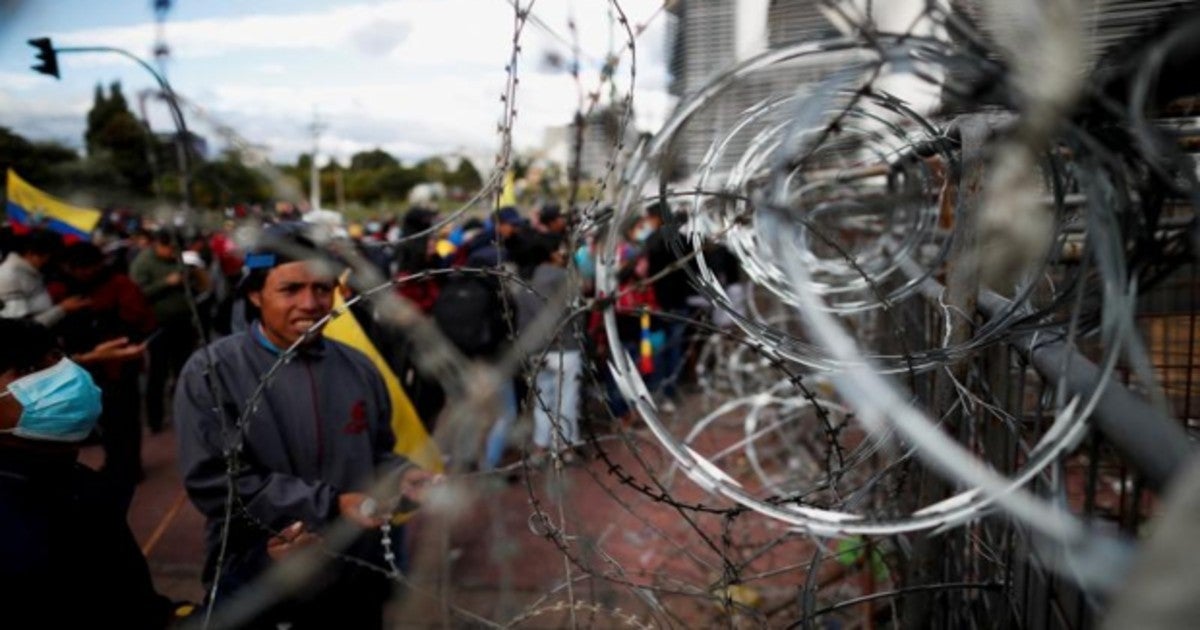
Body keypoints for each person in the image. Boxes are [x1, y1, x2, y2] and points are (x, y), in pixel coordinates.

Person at [174, 224, 435, 628]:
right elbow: (215, 483)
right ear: (255, 294)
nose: (311, 303)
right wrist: (330, 504)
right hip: (261, 574)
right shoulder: (213, 372)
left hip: (352, 575)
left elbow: (377, 450)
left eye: (321, 288)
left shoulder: (358, 367)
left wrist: (402, 476)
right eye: (290, 289)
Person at [0, 318, 173, 628]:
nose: (63, 376)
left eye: (56, 358)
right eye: (28, 371)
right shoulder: (18, 519)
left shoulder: (74, 482)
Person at [49, 242, 157, 501]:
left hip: (118, 364)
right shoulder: (65, 289)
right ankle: (114, 463)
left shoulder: (119, 285)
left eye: (83, 268)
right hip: (85, 366)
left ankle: (128, 467)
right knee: (104, 420)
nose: (79, 274)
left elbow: (141, 319)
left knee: (125, 419)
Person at [130, 228, 203, 433]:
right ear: (159, 245)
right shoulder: (144, 262)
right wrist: (166, 283)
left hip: (184, 323)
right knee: (158, 374)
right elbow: (137, 294)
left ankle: (185, 415)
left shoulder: (180, 259)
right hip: (158, 327)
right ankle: (155, 420)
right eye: (170, 249)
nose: (173, 253)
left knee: (184, 371)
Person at [0, 228, 90, 325]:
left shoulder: (32, 271)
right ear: (31, 253)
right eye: (48, 257)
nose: (49, 262)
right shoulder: (9, 277)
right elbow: (20, 327)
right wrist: (62, 308)